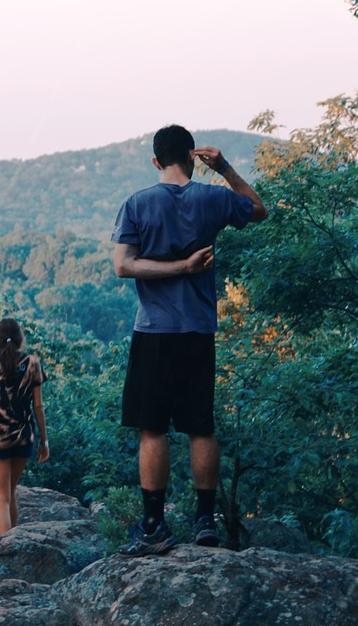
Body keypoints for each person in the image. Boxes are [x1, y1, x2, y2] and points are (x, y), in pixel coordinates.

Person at [111, 124, 268, 555]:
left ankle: (154, 526)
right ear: (193, 158)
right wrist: (226, 168)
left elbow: (123, 266)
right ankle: (204, 522)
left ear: (156, 160)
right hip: (198, 330)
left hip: (155, 331)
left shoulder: (137, 203)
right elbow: (258, 209)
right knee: (200, 426)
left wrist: (177, 267)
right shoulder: (214, 198)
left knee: (153, 428)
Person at [0, 318, 50, 536]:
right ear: (20, 340)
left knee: (1, 497)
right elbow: (39, 407)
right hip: (24, 436)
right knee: (11, 490)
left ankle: (6, 547)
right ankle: (14, 539)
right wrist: (44, 440)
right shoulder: (32, 363)